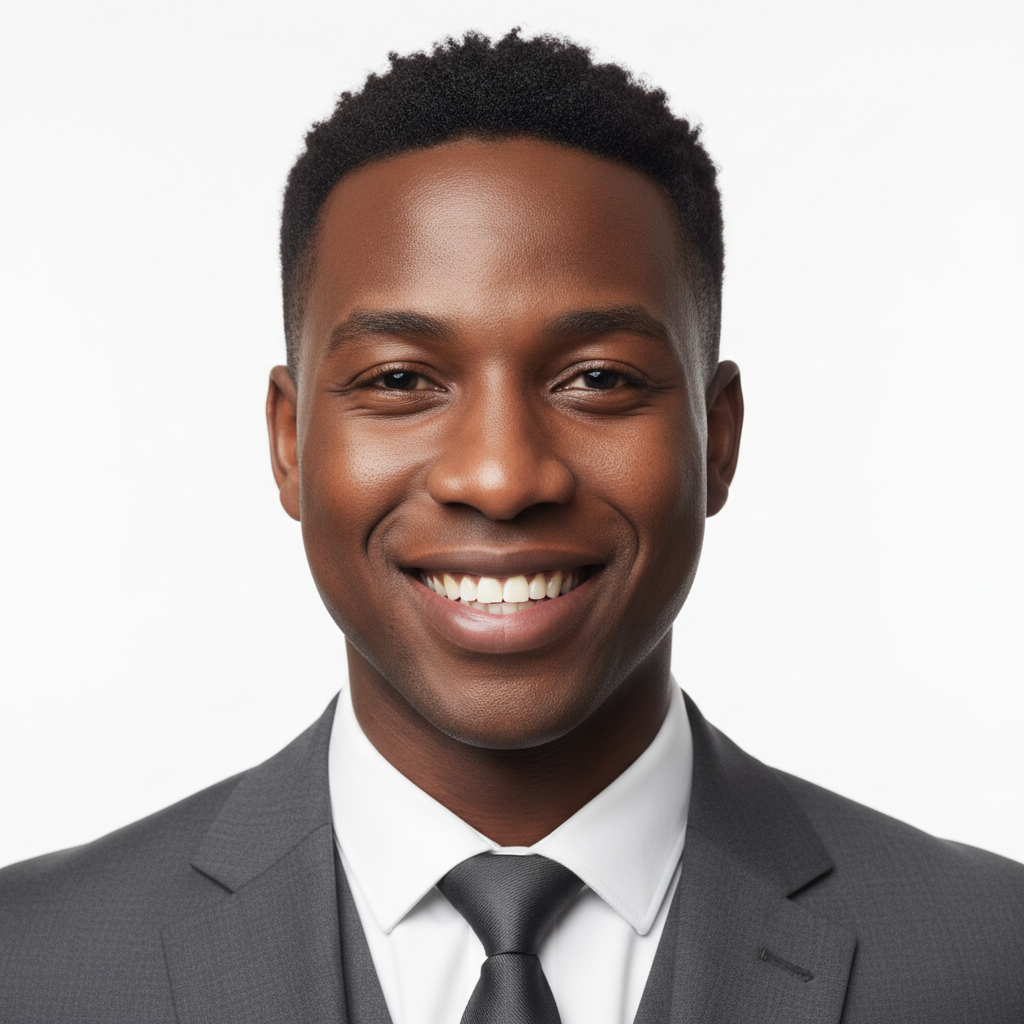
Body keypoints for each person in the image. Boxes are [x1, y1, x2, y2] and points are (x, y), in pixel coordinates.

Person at [0, 30, 1019, 1024]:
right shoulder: (31, 964)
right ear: (288, 442)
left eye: (598, 379)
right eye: (400, 380)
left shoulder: (989, 957)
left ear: (716, 439)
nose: (499, 475)